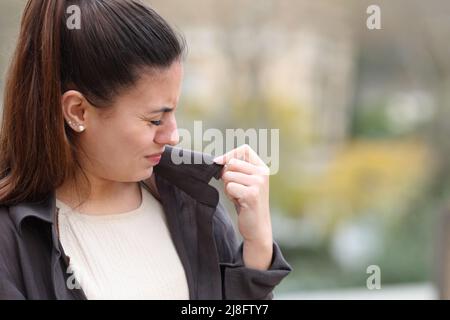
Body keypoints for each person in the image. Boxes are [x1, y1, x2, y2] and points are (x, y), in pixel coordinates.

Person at [0, 0, 291, 300]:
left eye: (174, 113)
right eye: (155, 119)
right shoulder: (12, 244)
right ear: (78, 112)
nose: (173, 137)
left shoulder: (191, 202)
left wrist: (257, 247)